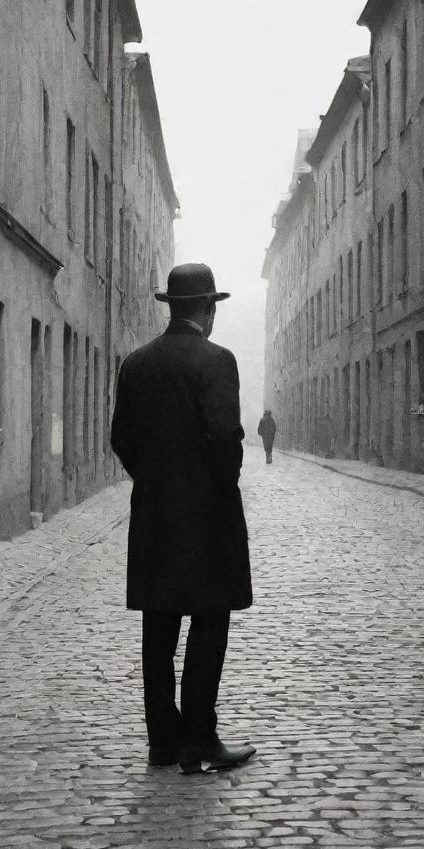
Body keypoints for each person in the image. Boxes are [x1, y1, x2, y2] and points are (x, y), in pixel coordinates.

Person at [110, 262, 255, 775]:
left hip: (154, 516)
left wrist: (154, 481)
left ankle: (162, 742)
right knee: (209, 623)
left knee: (159, 625)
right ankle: (199, 739)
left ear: (174, 307)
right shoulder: (217, 361)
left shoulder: (136, 364)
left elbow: (121, 438)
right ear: (209, 309)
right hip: (208, 518)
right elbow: (225, 441)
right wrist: (216, 487)